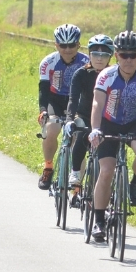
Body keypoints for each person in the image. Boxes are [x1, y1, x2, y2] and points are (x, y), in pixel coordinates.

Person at [88, 30, 136, 243]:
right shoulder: (106, 76)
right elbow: (97, 104)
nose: (128, 60)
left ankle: (135, 184)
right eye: (124, 55)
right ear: (116, 55)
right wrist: (95, 129)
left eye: (133, 55)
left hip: (133, 122)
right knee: (107, 170)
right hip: (108, 123)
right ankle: (99, 221)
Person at [37, 24, 89, 190]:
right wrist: (43, 110)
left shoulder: (87, 62)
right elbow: (43, 90)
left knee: (78, 138)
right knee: (51, 128)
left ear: (78, 45)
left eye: (71, 45)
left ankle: (77, 185)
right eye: (63, 45)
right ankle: (48, 167)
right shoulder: (48, 62)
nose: (67, 49)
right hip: (56, 101)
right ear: (56, 45)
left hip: (77, 102)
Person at [63, 34, 114, 204]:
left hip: (107, 118)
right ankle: (76, 172)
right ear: (89, 54)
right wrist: (70, 119)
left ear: (111, 56)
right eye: (95, 54)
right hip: (83, 115)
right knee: (83, 132)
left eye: (104, 55)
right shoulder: (81, 74)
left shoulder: (114, 75)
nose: (99, 59)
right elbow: (73, 98)